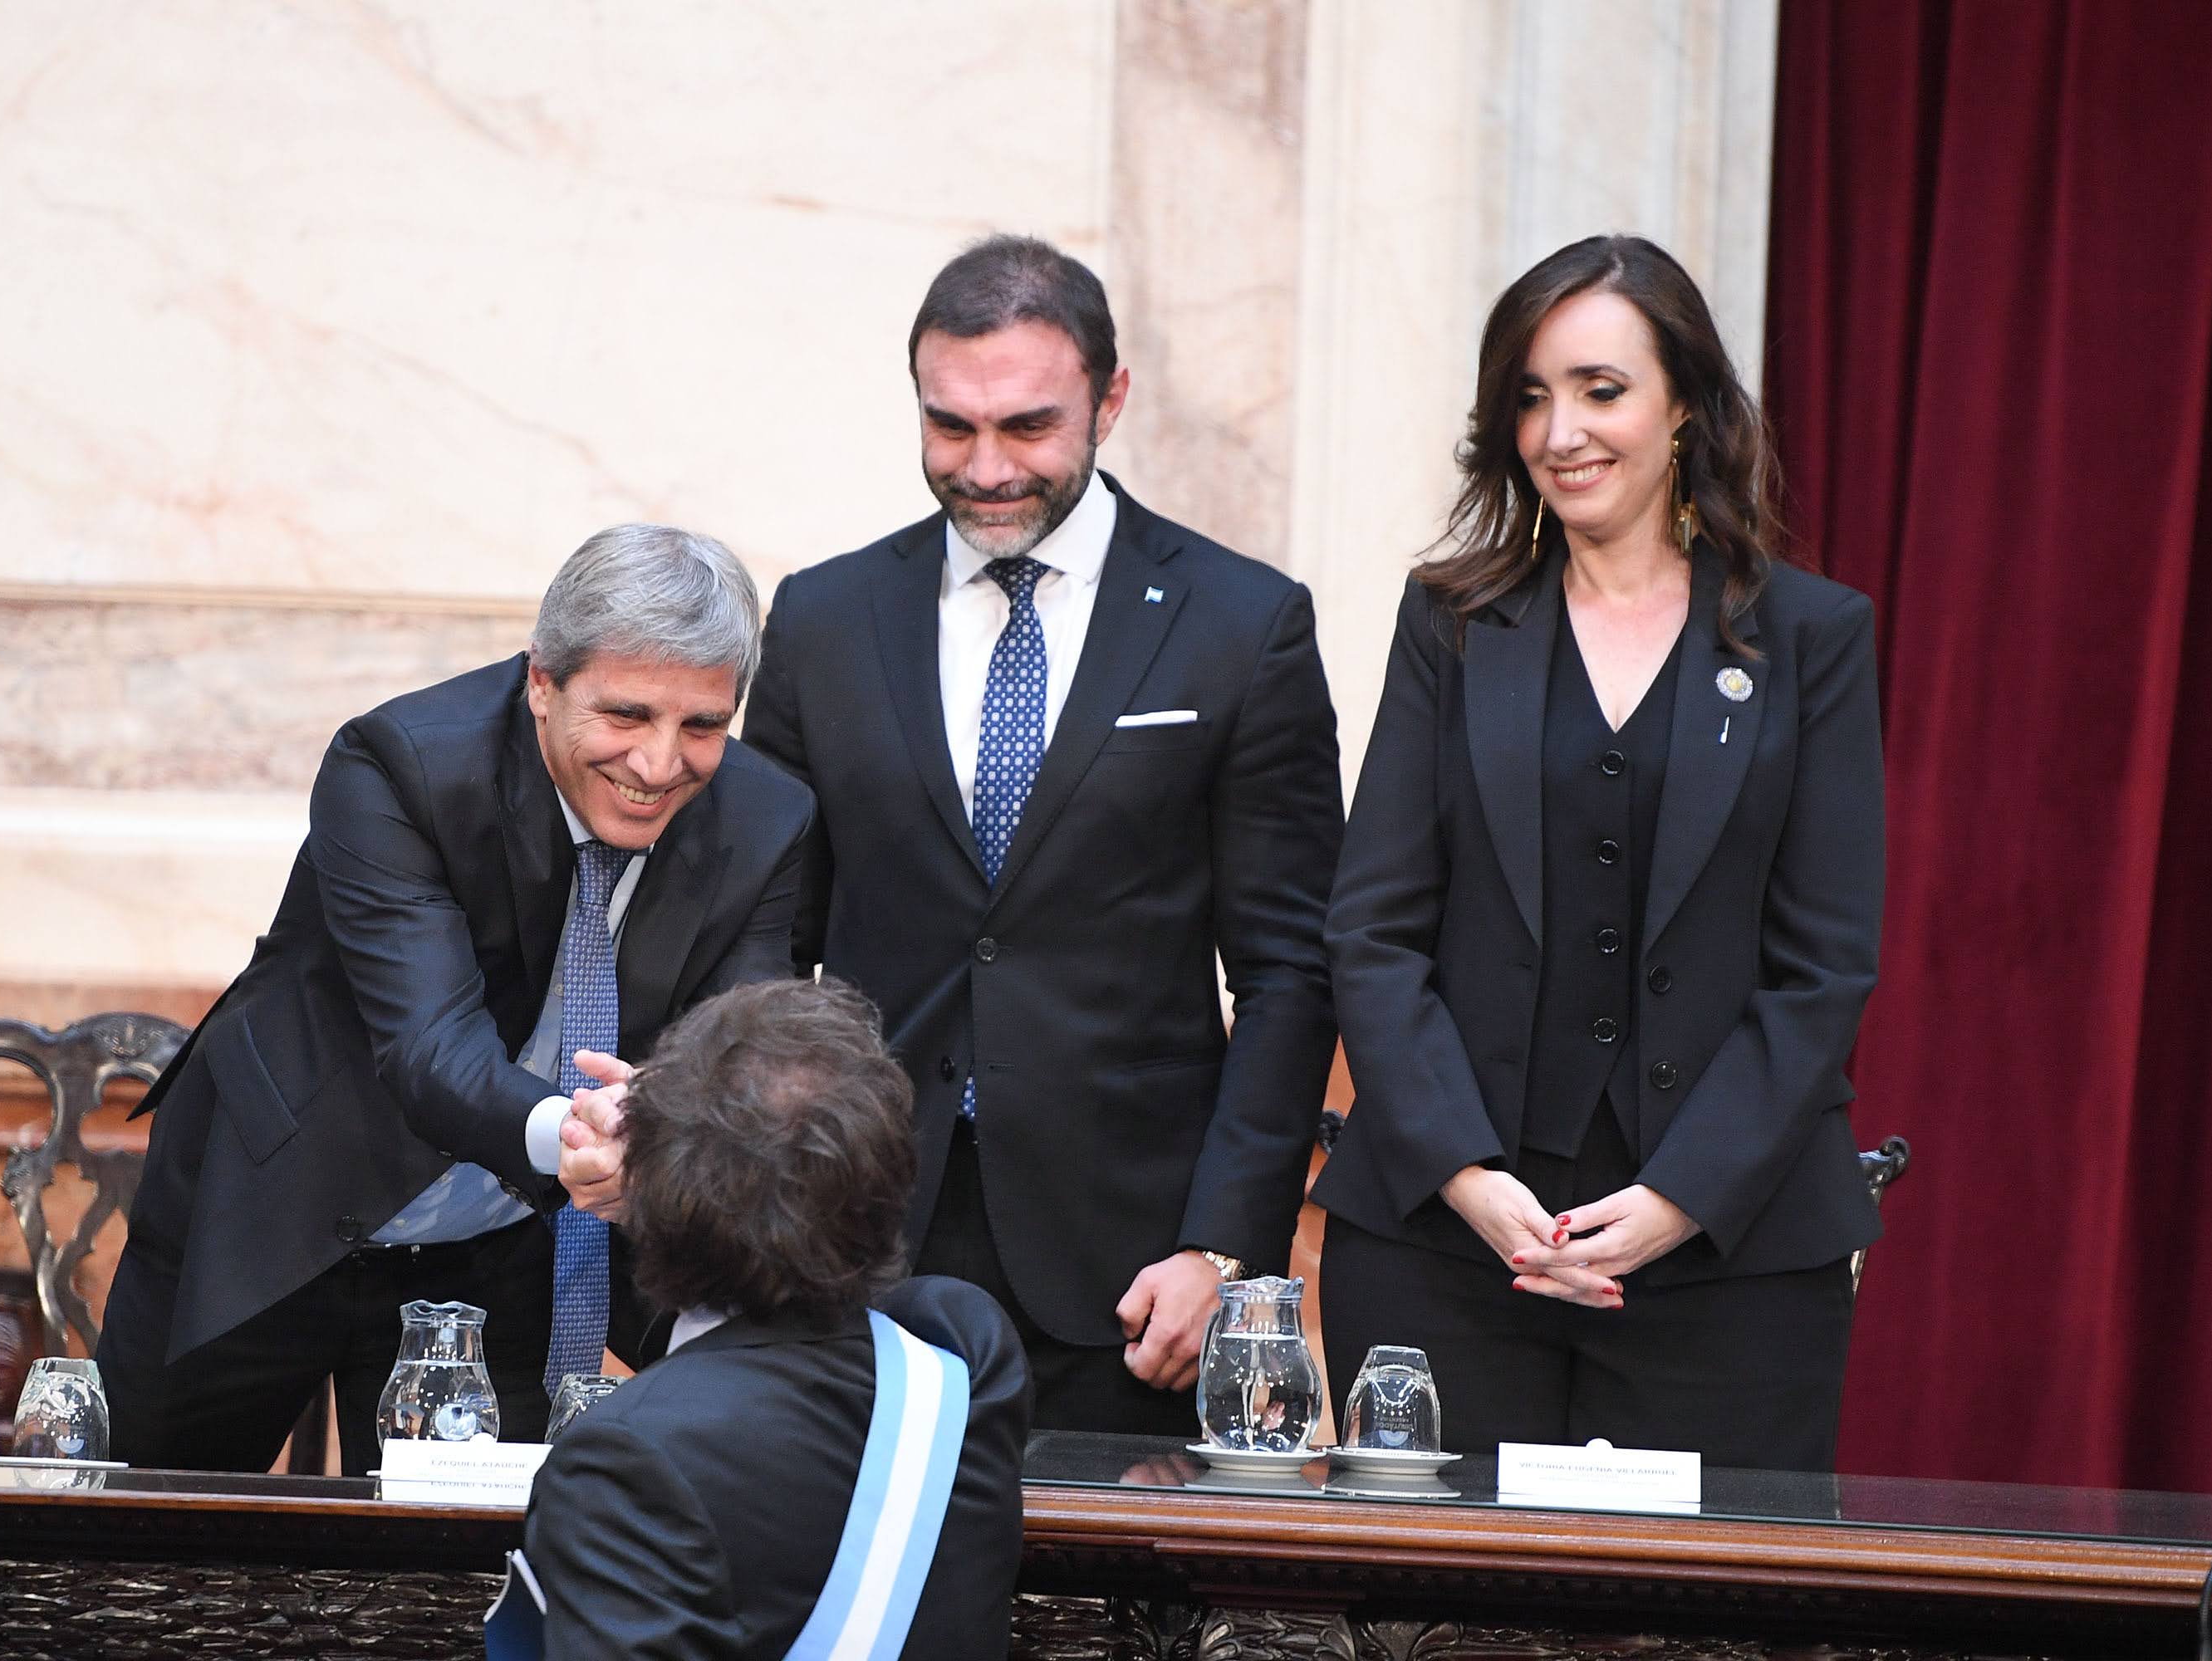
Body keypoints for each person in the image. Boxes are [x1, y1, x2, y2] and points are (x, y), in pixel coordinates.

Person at [741, 234, 1343, 1434]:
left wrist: (1221, 1249)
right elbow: (760, 944)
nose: (985, 468)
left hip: (1130, 1277)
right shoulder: (823, 617)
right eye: (950, 428)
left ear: (1110, 400)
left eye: (1027, 426)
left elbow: (1288, 970)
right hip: (857, 1241)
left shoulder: (1243, 624)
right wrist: (762, 1200)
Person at [1313, 234, 1886, 1470]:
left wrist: (1681, 1200)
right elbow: (1373, 928)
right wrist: (1465, 1175)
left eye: (1600, 390)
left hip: (1729, 1268)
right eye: (1530, 395)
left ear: (1684, 404)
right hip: (1443, 1256)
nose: (1559, 430)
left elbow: (1822, 969)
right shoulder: (1450, 621)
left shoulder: (1813, 639)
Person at [96, 524, 812, 1477]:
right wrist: (587, 1134)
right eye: (627, 714)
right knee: (142, 1546)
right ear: (542, 682)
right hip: (280, 1200)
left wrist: (657, 1129)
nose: (658, 763)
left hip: (498, 1247)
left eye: (703, 726)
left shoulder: (768, 817)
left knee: (454, 1578)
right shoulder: (399, 764)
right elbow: (431, 1047)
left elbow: (736, 1054)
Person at [521, 977, 1031, 1659]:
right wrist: (681, 1145)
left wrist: (669, 1155)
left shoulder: (626, 1461)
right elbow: (910, 1295)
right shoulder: (967, 1369)